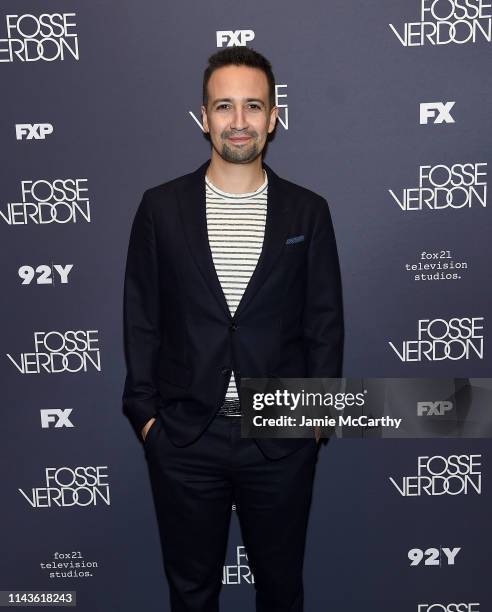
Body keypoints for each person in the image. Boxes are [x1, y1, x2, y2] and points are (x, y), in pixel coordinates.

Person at [122, 46, 344, 612]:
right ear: (203, 117)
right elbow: (142, 317)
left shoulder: (308, 212)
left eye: (253, 106)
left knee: (280, 590)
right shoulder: (160, 208)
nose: (239, 121)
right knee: (191, 594)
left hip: (281, 437)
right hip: (184, 436)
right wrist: (147, 417)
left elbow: (324, 322)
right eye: (224, 106)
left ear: (273, 118)